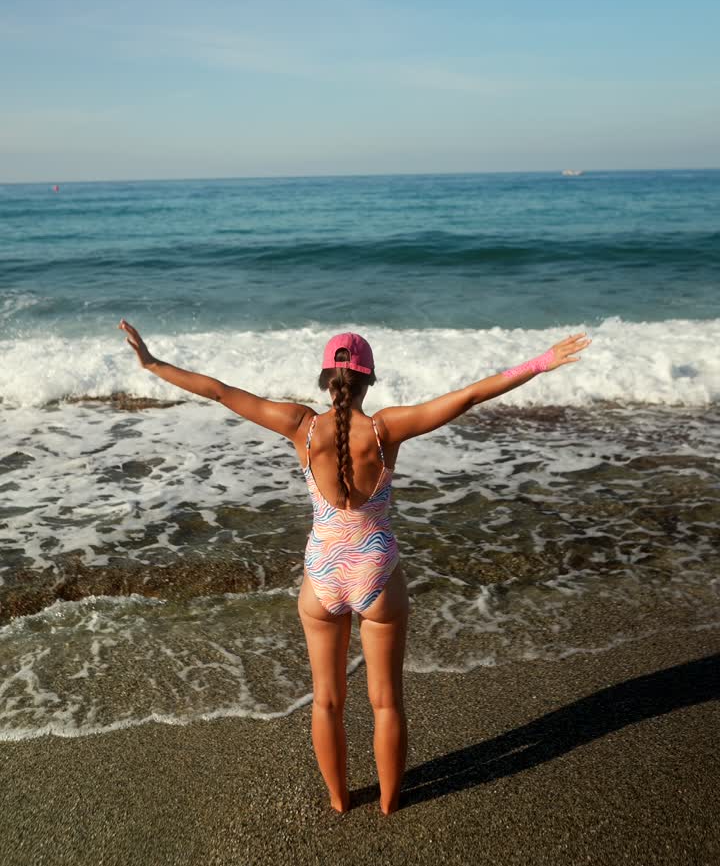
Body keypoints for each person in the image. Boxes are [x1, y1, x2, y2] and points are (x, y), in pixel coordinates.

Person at [118, 319, 590, 815]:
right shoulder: (386, 430)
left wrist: (152, 364)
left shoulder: (301, 426)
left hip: (322, 577)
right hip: (377, 573)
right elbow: (470, 395)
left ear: (327, 379)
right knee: (386, 701)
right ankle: (389, 802)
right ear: (369, 379)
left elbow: (218, 391)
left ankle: (340, 800)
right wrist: (542, 362)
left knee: (327, 701)